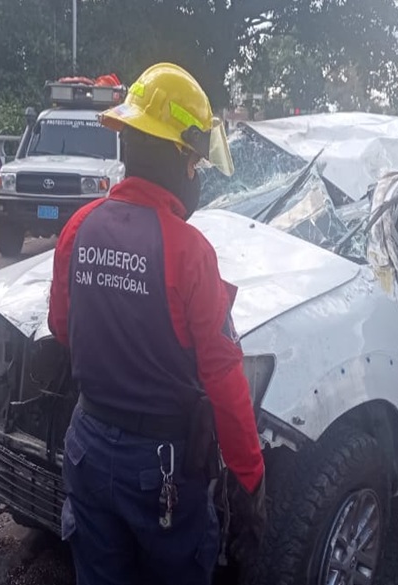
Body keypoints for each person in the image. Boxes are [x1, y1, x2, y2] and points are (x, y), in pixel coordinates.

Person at [48, 62, 265, 585]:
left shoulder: (80, 227)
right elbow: (223, 377)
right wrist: (251, 478)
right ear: (177, 158)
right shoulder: (190, 251)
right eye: (194, 162)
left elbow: (61, 327)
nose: (195, 174)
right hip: (160, 466)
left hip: (88, 444)